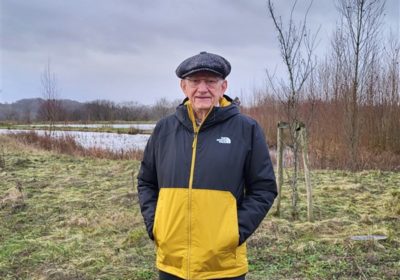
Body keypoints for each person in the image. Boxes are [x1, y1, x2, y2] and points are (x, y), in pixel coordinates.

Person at [137, 51, 277, 280]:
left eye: (210, 81)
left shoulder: (246, 129)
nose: (202, 88)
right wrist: (156, 226)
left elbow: (264, 188)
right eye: (195, 81)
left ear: (224, 86)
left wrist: (233, 232)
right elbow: (146, 181)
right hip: (172, 264)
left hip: (223, 266)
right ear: (184, 86)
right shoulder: (164, 129)